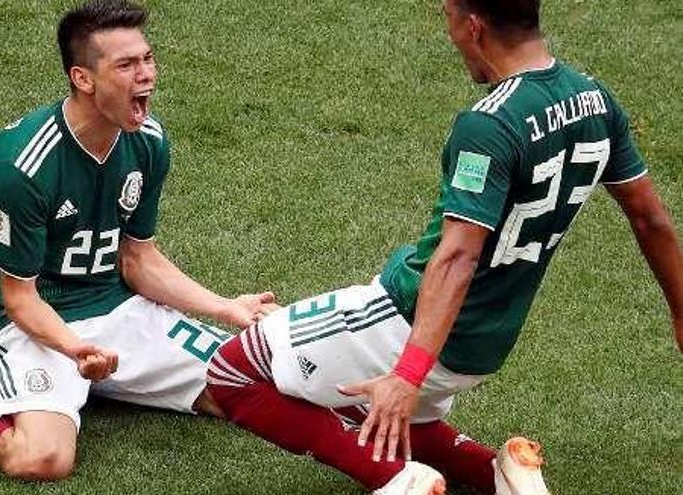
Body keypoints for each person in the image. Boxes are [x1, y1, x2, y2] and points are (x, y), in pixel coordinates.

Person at [206, 0, 683, 494]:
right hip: (488, 340)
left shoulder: (490, 125)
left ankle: (398, 481)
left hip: (410, 320)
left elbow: (457, 257)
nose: (450, 34)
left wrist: (408, 374)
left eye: (448, 18)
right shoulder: (596, 100)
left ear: (474, 26)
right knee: (372, 407)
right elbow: (650, 219)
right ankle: (501, 476)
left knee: (234, 371)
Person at [0, 0, 275, 481]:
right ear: (83, 78)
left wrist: (225, 307)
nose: (145, 75)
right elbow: (17, 297)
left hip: (114, 306)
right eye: (126, 65)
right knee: (42, 460)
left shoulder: (148, 140)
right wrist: (75, 348)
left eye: (147, 59)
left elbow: (137, 258)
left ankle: (102, 384)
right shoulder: (23, 163)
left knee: (246, 388)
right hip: (34, 322)